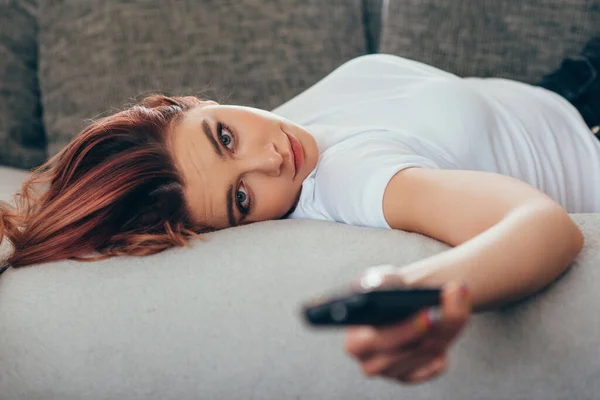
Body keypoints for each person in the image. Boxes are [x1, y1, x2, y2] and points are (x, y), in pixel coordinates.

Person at [3, 37, 600, 384]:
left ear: (189, 103)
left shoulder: (284, 130)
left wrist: (28, 228)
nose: (270, 161)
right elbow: (544, 226)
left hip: (568, 85)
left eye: (224, 138)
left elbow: (95, 187)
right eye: (242, 199)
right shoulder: (351, 179)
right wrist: (424, 291)